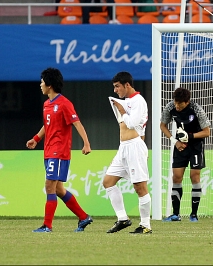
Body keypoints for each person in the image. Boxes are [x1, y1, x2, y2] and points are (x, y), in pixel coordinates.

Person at [26, 67, 93, 233]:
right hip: (48, 151)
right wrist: (36, 139)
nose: (40, 84)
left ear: (49, 84)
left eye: (42, 81)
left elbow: (77, 123)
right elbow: (47, 125)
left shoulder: (64, 104)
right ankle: (84, 217)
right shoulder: (46, 104)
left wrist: (86, 143)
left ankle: (47, 226)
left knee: (49, 186)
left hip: (59, 152)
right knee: (58, 189)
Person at [103, 71, 152, 234]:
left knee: (140, 187)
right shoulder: (127, 101)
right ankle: (123, 219)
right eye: (114, 87)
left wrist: (122, 110)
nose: (116, 90)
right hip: (123, 147)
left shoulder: (138, 101)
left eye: (117, 86)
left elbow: (132, 124)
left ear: (127, 85)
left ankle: (146, 225)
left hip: (134, 147)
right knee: (108, 182)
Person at [160, 87, 211, 222]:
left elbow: (206, 132)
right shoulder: (170, 106)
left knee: (194, 177)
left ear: (187, 102)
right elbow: (162, 125)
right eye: (175, 102)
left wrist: (190, 136)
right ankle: (176, 214)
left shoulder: (197, 109)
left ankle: (194, 214)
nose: (177, 106)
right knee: (176, 177)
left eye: (180, 104)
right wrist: (174, 141)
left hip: (195, 146)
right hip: (180, 146)